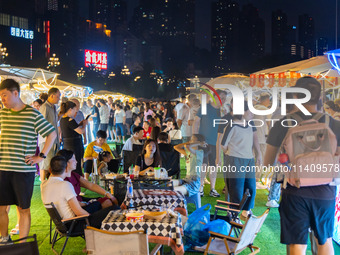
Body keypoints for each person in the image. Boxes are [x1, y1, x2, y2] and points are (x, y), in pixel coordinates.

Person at [264, 77, 340, 255]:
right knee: (324, 240)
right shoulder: (334, 124)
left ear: (296, 96)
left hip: (294, 190)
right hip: (325, 191)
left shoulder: (283, 124)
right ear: (320, 97)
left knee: (296, 244)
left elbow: (268, 162)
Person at [0, 79, 56, 243]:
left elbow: (51, 134)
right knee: (1, 208)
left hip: (23, 170)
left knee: (23, 208)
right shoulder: (3, 113)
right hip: (3, 168)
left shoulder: (32, 114)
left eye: (4, 95)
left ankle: (22, 245)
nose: (2, 99)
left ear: (15, 93)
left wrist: (41, 156)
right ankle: (4, 238)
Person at [41, 155, 118, 231]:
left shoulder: (43, 184)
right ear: (66, 169)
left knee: (101, 206)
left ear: (50, 170)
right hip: (74, 224)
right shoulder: (65, 185)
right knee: (115, 209)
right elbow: (79, 212)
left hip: (62, 225)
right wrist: (94, 217)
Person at [221, 103, 260, 219]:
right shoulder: (232, 125)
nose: (252, 114)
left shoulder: (250, 125)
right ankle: (234, 215)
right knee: (236, 189)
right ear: (242, 111)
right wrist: (232, 153)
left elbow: (253, 140)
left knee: (251, 187)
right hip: (235, 160)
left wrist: (258, 154)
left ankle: (246, 211)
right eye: (250, 112)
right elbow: (223, 144)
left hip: (249, 160)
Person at [193, 90, 227, 197]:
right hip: (203, 141)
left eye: (224, 98)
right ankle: (201, 187)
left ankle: (212, 188)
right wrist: (196, 137)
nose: (223, 99)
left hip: (216, 142)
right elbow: (196, 122)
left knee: (214, 165)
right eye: (221, 97)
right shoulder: (205, 107)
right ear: (214, 97)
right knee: (203, 164)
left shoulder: (223, 111)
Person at [60, 101, 87, 176]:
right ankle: (76, 180)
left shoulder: (63, 119)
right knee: (75, 164)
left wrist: (80, 124)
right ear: (70, 109)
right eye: (75, 110)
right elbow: (81, 131)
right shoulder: (70, 120)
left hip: (67, 144)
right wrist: (84, 125)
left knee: (70, 164)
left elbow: (72, 129)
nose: (75, 112)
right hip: (74, 145)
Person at [39, 88, 61, 181]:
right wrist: (49, 137)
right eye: (58, 96)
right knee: (45, 164)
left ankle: (50, 184)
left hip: (54, 140)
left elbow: (55, 122)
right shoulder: (44, 107)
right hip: (46, 140)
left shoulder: (54, 107)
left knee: (52, 163)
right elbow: (41, 124)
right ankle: (43, 184)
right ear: (51, 96)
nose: (59, 98)